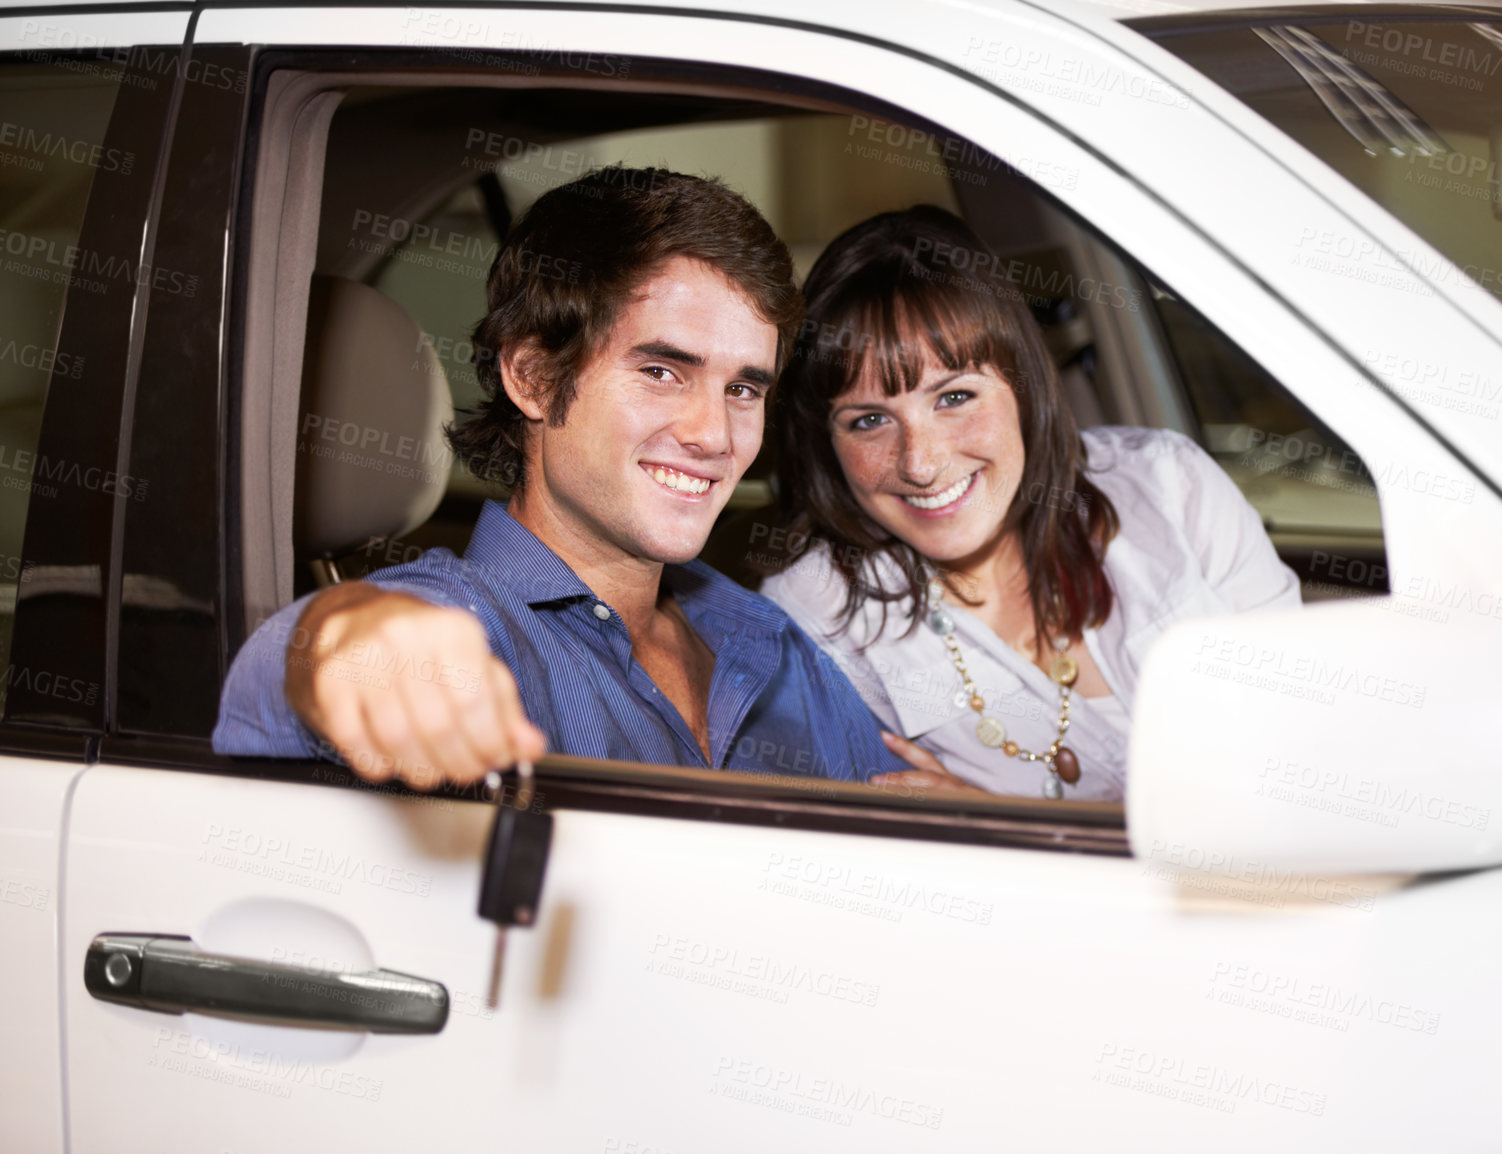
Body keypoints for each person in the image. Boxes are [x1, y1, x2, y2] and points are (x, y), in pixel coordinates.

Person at [213, 166, 946, 791]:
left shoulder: (771, 641)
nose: (714, 435)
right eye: (661, 372)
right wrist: (340, 638)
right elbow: (309, 669)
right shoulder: (465, 632)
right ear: (533, 377)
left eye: (744, 390)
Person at [760, 206, 1300, 801]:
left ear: (1024, 385)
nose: (920, 462)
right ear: (827, 442)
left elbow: (1305, 750)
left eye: (955, 396)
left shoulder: (1168, 486)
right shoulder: (819, 620)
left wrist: (995, 820)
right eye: (868, 420)